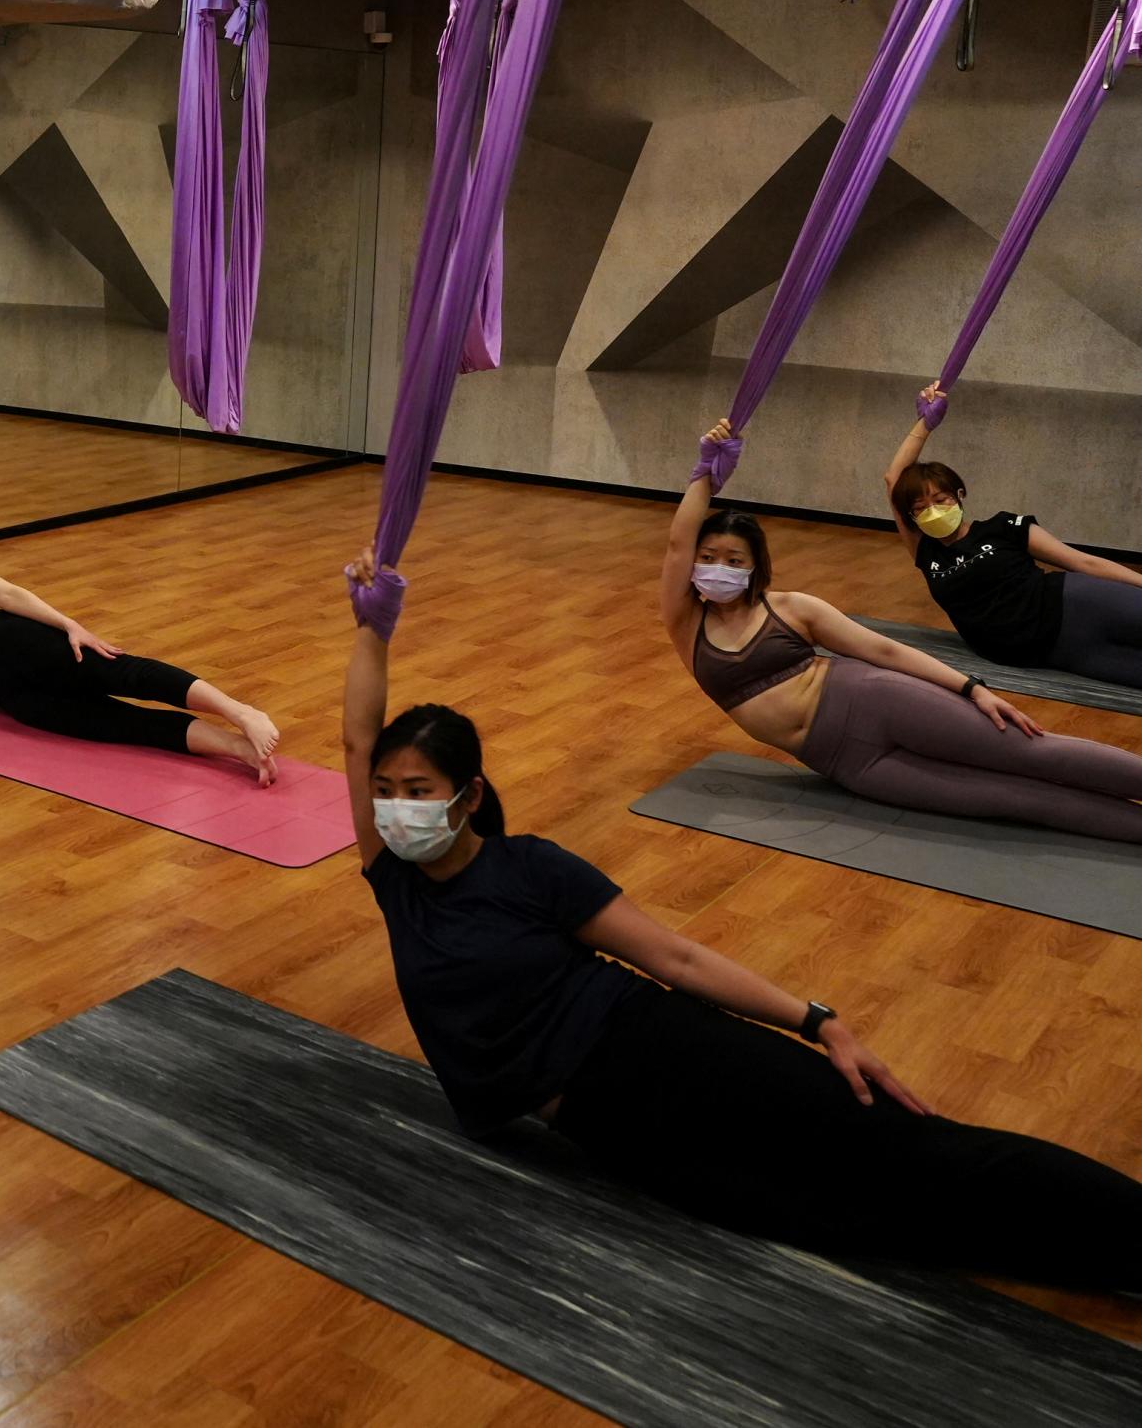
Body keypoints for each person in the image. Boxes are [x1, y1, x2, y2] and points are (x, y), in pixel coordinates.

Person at [341, 548, 1142, 1289]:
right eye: (388, 791)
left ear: (468, 795)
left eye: (419, 790)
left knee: (917, 1153)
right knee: (849, 1220)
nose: (398, 807)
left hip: (665, 1049)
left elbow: (675, 960)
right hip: (610, 1127)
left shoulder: (530, 867)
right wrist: (372, 632)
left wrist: (817, 1020)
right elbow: (354, 741)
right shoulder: (395, 882)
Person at [666, 419, 1142, 843]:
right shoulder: (687, 626)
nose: (718, 569)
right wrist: (704, 477)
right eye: (707, 559)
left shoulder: (791, 608)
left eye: (733, 560)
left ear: (754, 567)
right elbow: (675, 544)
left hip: (872, 700)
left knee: (1031, 754)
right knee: (1018, 801)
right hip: (843, 761)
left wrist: (972, 689)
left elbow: (885, 650)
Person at [0, 410, 279, 780]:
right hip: (6, 694)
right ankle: (238, 749)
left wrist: (69, 626)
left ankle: (240, 711)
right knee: (122, 724)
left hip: (15, 645)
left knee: (123, 673)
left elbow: (8, 594)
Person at [884, 381, 1142, 686]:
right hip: (1057, 651)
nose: (933, 511)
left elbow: (1081, 562)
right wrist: (924, 423)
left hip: (1076, 603)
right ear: (912, 516)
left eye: (940, 501)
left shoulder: (1003, 527)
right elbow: (893, 479)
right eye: (921, 507)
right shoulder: (926, 553)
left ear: (960, 495)